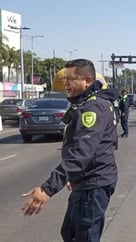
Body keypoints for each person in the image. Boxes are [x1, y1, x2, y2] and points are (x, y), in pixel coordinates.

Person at [21, 59, 119, 242]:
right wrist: (73, 176)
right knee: (70, 233)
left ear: (88, 81)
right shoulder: (88, 103)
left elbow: (82, 152)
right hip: (87, 180)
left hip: (94, 183)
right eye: (64, 79)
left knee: (84, 236)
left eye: (70, 79)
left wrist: (47, 189)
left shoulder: (93, 107)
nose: (65, 83)